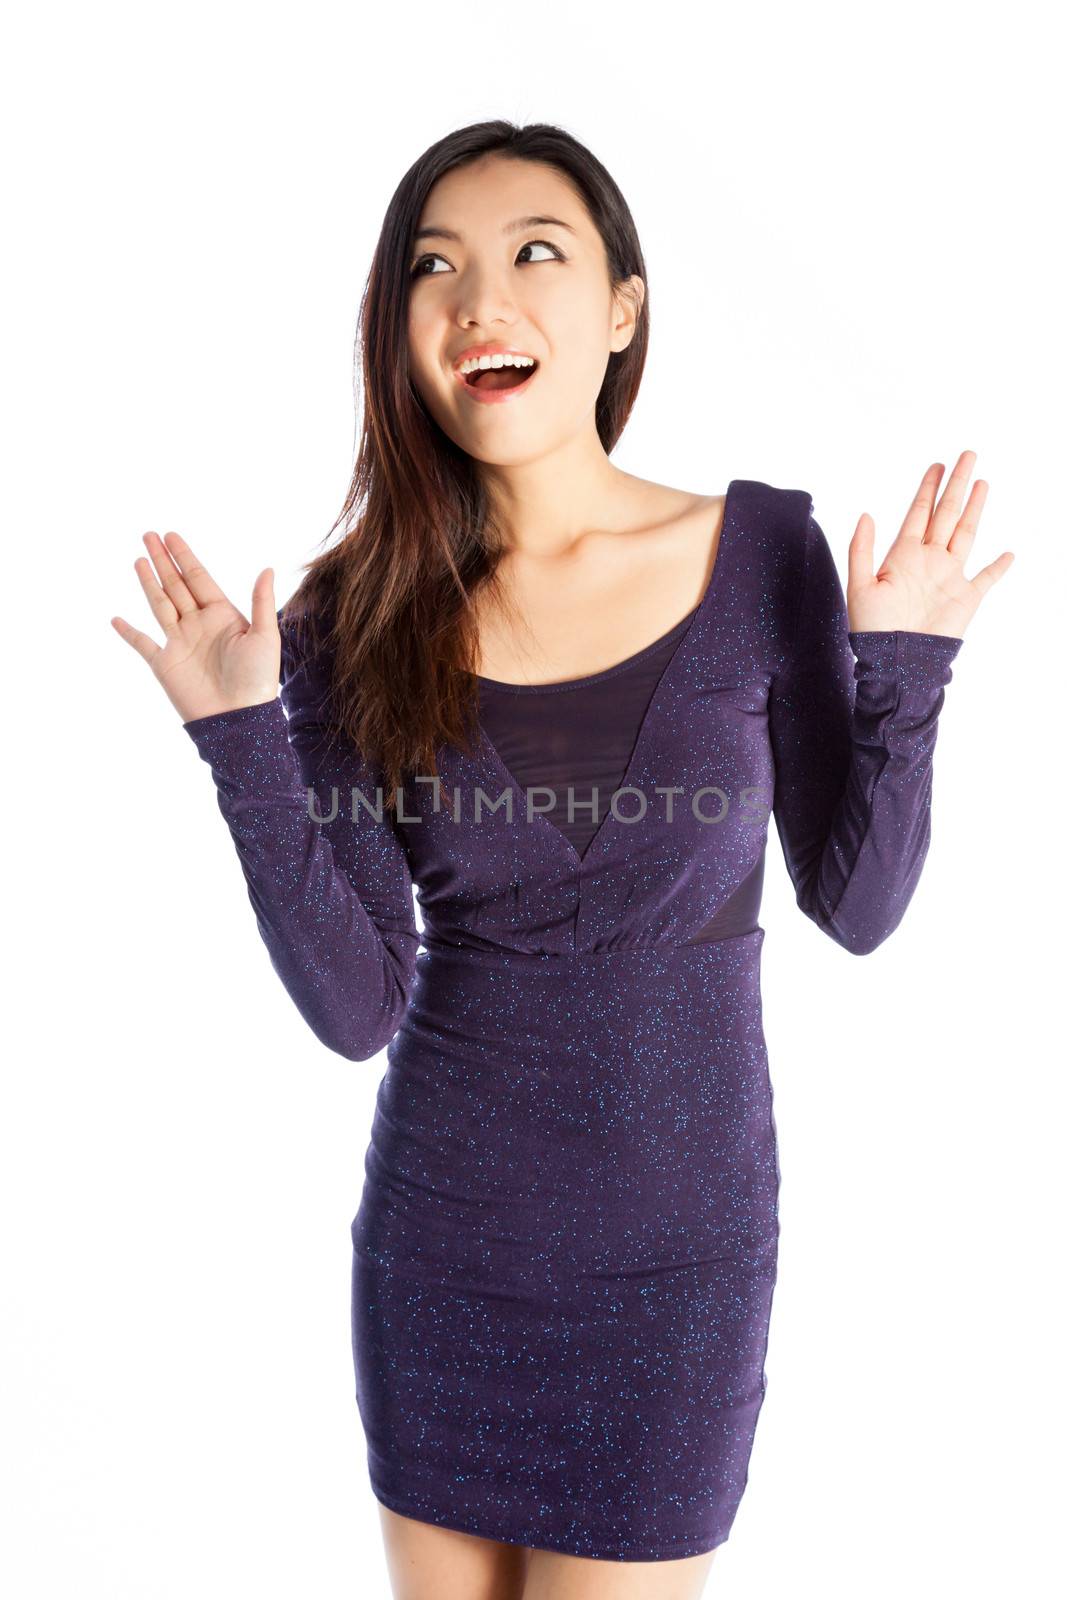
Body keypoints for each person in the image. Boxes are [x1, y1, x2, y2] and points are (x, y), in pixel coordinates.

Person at [111, 121, 1012, 1600]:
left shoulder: (762, 557)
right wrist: (241, 742)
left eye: (537, 252)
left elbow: (857, 907)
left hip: (678, 1275)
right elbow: (356, 1009)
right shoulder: (349, 620)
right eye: (436, 269)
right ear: (401, 334)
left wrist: (904, 672)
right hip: (445, 1256)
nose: (482, 301)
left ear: (621, 310)